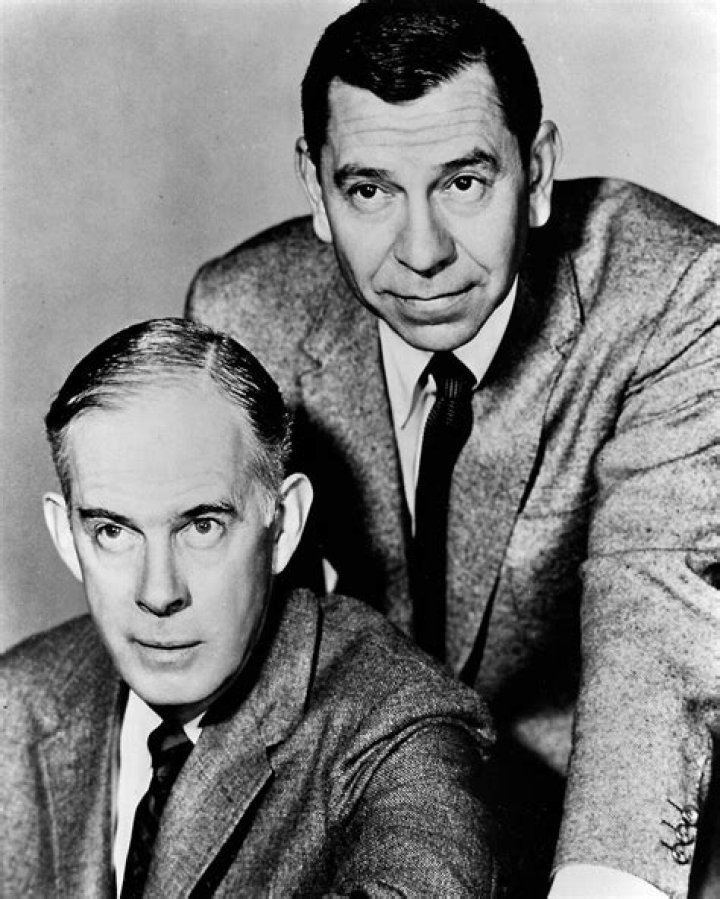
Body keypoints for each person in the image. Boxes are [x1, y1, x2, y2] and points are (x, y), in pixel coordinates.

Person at [186, 1, 720, 896]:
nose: (422, 252)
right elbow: (258, 657)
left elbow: (654, 625)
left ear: (536, 173)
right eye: (370, 191)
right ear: (316, 188)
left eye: (464, 182)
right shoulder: (244, 313)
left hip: (605, 794)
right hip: (376, 784)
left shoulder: (677, 290)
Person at [0, 318, 500, 897]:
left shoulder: (401, 732)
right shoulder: (18, 701)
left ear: (282, 526)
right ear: (67, 537)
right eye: (113, 531)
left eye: (202, 527)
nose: (159, 593)